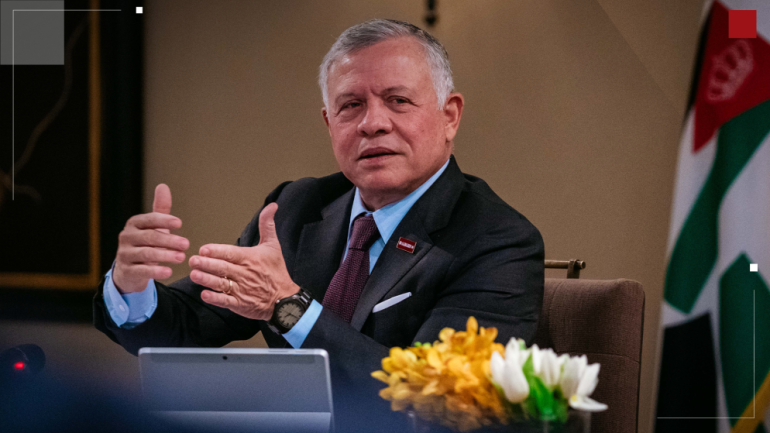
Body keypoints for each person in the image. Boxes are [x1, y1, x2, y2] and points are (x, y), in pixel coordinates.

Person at [93, 19, 544, 433]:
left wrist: (288, 307)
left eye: (398, 101)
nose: (373, 123)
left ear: (450, 116)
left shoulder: (498, 241)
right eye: (351, 105)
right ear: (330, 123)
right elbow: (186, 326)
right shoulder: (297, 208)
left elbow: (436, 402)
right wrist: (131, 285)